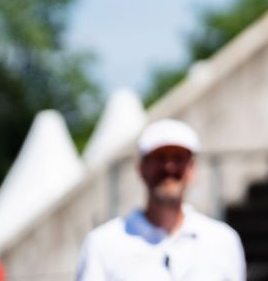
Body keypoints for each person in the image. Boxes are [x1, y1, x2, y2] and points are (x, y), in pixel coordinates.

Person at [75, 120, 245, 281]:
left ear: (192, 168)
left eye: (178, 158)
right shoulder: (102, 244)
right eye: (160, 158)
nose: (169, 167)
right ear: (141, 168)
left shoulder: (223, 240)